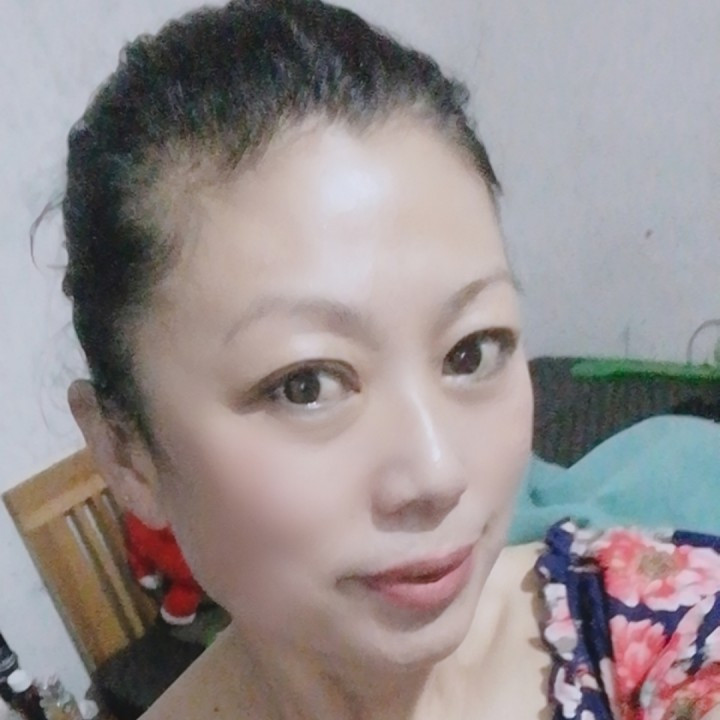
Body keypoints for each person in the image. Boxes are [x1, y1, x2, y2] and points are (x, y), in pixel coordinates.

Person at [60, 1, 720, 718]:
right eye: (305, 385)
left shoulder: (658, 626)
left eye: (471, 352)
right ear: (126, 453)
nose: (437, 473)